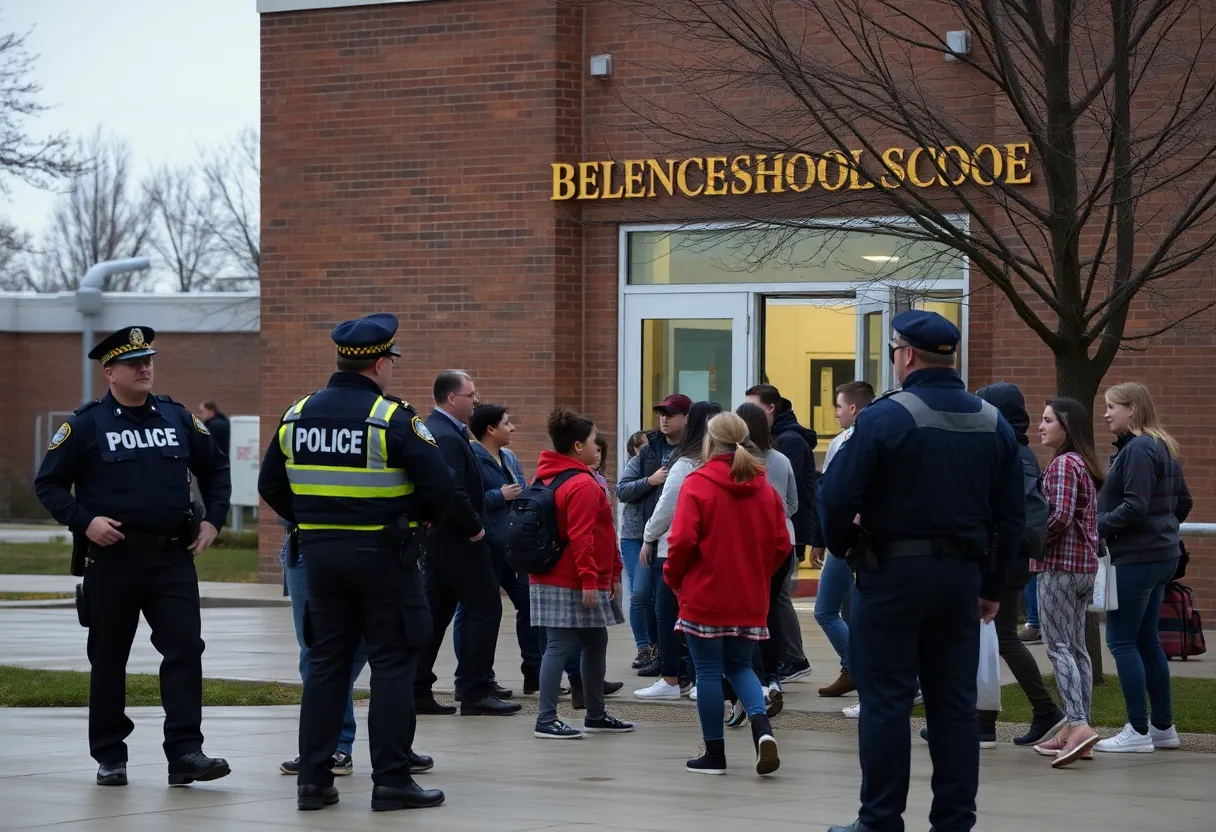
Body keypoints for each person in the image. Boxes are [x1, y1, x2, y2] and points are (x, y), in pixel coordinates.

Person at [818, 310, 1024, 832]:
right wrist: (992, 586)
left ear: (906, 355)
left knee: (886, 701)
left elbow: (836, 496)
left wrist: (845, 547)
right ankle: (954, 822)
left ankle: (880, 820)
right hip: (961, 579)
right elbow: (1011, 516)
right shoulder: (992, 420)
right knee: (954, 705)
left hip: (892, 574)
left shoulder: (884, 417)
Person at [257, 313, 455, 812]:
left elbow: (270, 485)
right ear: (380, 363)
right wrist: (417, 524)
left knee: (326, 666)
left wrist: (315, 521)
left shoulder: (297, 414)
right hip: (385, 559)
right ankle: (391, 780)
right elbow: (441, 489)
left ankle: (314, 781)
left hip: (321, 559)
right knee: (392, 664)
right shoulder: (392, 418)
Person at [34, 325, 232, 787]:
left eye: (148, 361)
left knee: (185, 650)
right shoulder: (85, 424)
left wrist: (214, 520)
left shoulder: (178, 418)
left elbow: (216, 467)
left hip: (172, 558)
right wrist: (84, 521)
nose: (145, 369)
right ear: (110, 373)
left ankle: (185, 753)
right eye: (134, 363)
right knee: (109, 658)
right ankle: (110, 755)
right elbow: (49, 484)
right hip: (113, 561)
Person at [665, 412, 790, 775]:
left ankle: (714, 754)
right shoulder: (764, 487)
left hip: (704, 593)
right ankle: (762, 729)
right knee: (741, 666)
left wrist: (674, 578)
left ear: (710, 441)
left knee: (707, 670)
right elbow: (781, 544)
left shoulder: (697, 483)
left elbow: (681, 541)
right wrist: (758, 573)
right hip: (749, 594)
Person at [414, 371, 520, 717]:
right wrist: (475, 527)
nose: (476, 401)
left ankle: (417, 689)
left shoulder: (442, 430)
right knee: (485, 608)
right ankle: (475, 691)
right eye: (471, 395)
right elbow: (452, 489)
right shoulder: (445, 435)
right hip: (458, 538)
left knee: (436, 612)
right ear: (451, 399)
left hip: (444, 539)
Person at [1095, 382, 1191, 754]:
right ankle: (1162, 728)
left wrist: (1097, 527)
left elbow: (1135, 506)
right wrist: (1163, 528)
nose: (1106, 414)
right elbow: (1184, 501)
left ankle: (1137, 731)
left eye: (1112, 407)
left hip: (1137, 559)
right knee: (1146, 640)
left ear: (1132, 408)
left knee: (1120, 641)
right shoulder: (1164, 445)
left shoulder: (1137, 449)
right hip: (1161, 557)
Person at [972, 384, 1066, 748]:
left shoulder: (1009, 450)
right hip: (1010, 556)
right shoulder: (1016, 448)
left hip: (1004, 558)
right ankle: (984, 721)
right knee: (993, 637)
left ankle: (1043, 711)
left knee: (1001, 637)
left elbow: (1009, 511)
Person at [531, 407, 633, 739]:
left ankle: (596, 714)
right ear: (577, 446)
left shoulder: (545, 476)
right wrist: (592, 579)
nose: (596, 446)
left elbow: (600, 533)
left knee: (594, 641)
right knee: (560, 645)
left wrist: (612, 572)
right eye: (592, 440)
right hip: (573, 578)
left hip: (554, 573)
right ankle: (546, 719)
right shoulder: (582, 484)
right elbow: (583, 536)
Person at [1031, 397, 1103, 767]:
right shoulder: (1082, 464)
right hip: (1083, 569)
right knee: (1076, 648)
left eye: (1047, 420)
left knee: (1058, 647)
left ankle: (1077, 725)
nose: (1040, 426)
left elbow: (1058, 517)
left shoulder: (1062, 465)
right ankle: (1077, 730)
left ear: (1066, 426)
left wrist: (1029, 540)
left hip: (1060, 567)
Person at [635, 401, 722, 701]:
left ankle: (674, 678)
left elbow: (666, 506)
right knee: (696, 615)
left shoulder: (685, 463)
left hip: (676, 547)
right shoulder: (720, 462)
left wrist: (649, 536)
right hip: (707, 548)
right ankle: (693, 678)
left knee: (669, 613)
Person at [277, 516, 370, 778]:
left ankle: (394, 747)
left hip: (370, 543)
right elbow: (274, 493)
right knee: (315, 650)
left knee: (373, 643)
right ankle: (326, 747)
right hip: (307, 543)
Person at [459, 403, 536, 694]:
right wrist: (498, 496)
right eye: (506, 423)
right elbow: (468, 501)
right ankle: (474, 677)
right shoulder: (472, 457)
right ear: (490, 429)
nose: (512, 428)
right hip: (485, 546)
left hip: (512, 546)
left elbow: (523, 490)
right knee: (478, 613)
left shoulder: (509, 457)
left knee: (529, 603)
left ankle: (534, 672)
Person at [743, 384, 814, 682]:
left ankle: (789, 660)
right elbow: (792, 502)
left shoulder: (784, 446)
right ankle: (775, 668)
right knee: (773, 603)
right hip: (782, 535)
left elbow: (795, 499)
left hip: (767, 540)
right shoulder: (781, 454)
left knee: (771, 603)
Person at [618, 393, 690, 677]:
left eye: (670, 415)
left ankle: (668, 654)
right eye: (661, 414)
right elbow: (622, 490)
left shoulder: (692, 450)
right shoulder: (648, 450)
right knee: (641, 593)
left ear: (686, 418)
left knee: (664, 598)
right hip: (639, 534)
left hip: (671, 536)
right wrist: (650, 481)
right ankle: (647, 649)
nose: (664, 419)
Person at [811, 381, 874, 700]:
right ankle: (854, 669)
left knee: (828, 611)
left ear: (852, 408)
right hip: (852, 539)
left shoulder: (851, 442)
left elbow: (831, 496)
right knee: (844, 612)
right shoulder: (853, 440)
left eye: (838, 406)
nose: (835, 413)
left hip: (852, 539)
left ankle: (863, 670)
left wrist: (825, 538)